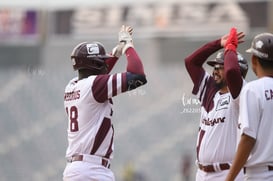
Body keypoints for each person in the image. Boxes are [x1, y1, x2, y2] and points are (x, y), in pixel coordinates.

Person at [62, 25, 147, 181]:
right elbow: (138, 76)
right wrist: (128, 46)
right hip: (92, 170)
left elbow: (98, 76)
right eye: (101, 61)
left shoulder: (72, 86)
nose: (105, 64)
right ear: (95, 65)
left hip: (76, 169)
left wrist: (116, 52)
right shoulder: (93, 86)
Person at [184, 27, 248, 181]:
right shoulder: (210, 90)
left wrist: (230, 49)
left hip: (228, 172)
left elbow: (232, 71)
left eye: (220, 67)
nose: (215, 71)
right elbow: (191, 62)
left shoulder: (241, 93)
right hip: (202, 173)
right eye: (214, 67)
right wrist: (219, 43)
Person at [225, 33, 273, 181]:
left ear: (254, 60)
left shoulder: (252, 89)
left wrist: (229, 179)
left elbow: (248, 139)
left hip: (259, 175)